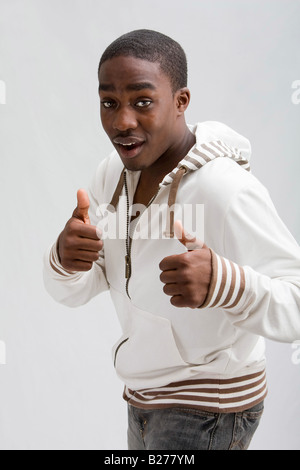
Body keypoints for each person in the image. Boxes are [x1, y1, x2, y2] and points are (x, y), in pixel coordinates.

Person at [43, 29, 300, 450]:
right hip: (142, 396)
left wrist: (223, 282)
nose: (122, 121)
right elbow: (77, 290)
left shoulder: (226, 189)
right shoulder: (112, 176)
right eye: (109, 102)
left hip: (209, 406)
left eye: (142, 101)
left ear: (181, 101)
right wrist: (68, 260)